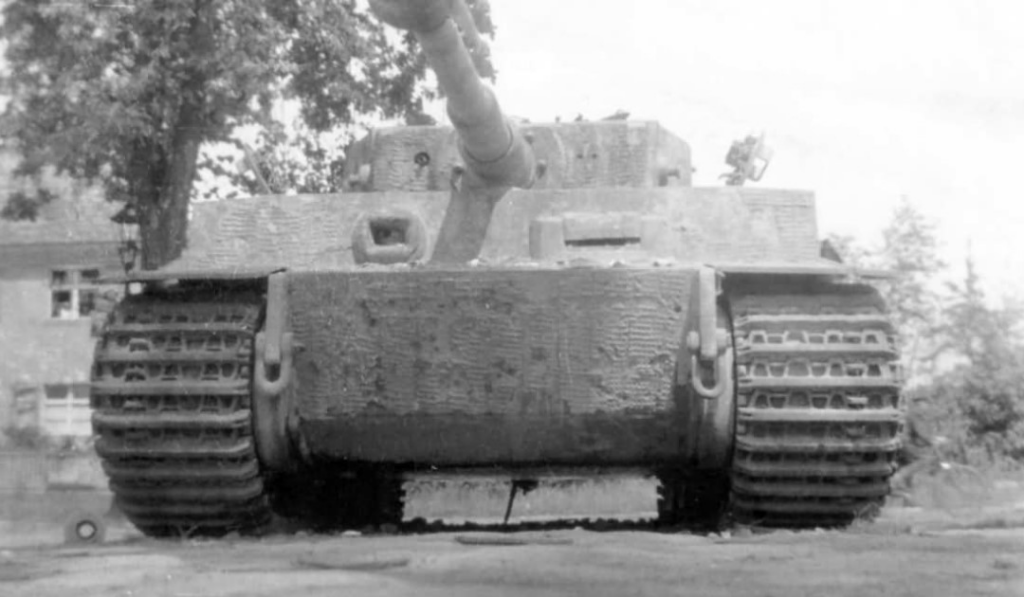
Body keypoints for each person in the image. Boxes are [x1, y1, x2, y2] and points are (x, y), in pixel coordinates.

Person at [890, 397, 937, 503]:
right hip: (906, 444)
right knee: (925, 460)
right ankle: (899, 477)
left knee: (911, 472)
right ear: (918, 405)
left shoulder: (915, 415)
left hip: (904, 444)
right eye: (924, 404)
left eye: (927, 404)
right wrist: (933, 440)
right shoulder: (914, 415)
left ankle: (909, 501)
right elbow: (921, 432)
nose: (926, 407)